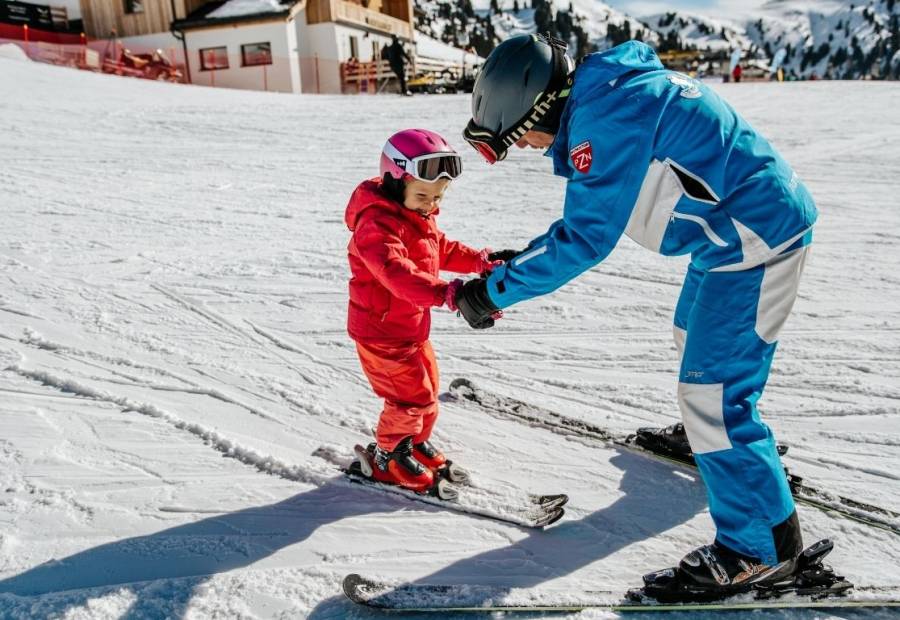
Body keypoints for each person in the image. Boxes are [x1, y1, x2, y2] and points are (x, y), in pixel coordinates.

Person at [456, 34, 816, 599]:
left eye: (518, 134)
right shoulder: (612, 94)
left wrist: (492, 293)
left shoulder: (607, 118)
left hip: (754, 242)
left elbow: (582, 240)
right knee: (690, 340)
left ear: (542, 107)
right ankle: (709, 439)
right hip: (729, 237)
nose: (523, 147)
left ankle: (760, 552)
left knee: (715, 394)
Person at [346, 128, 510, 492]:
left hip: (409, 326)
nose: (430, 204)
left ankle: (413, 444)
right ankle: (385, 458)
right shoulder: (375, 225)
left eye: (438, 196)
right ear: (393, 181)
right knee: (409, 398)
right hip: (381, 332)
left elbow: (441, 248)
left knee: (428, 391)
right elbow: (396, 274)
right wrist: (448, 293)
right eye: (422, 195)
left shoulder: (416, 214)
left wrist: (482, 262)